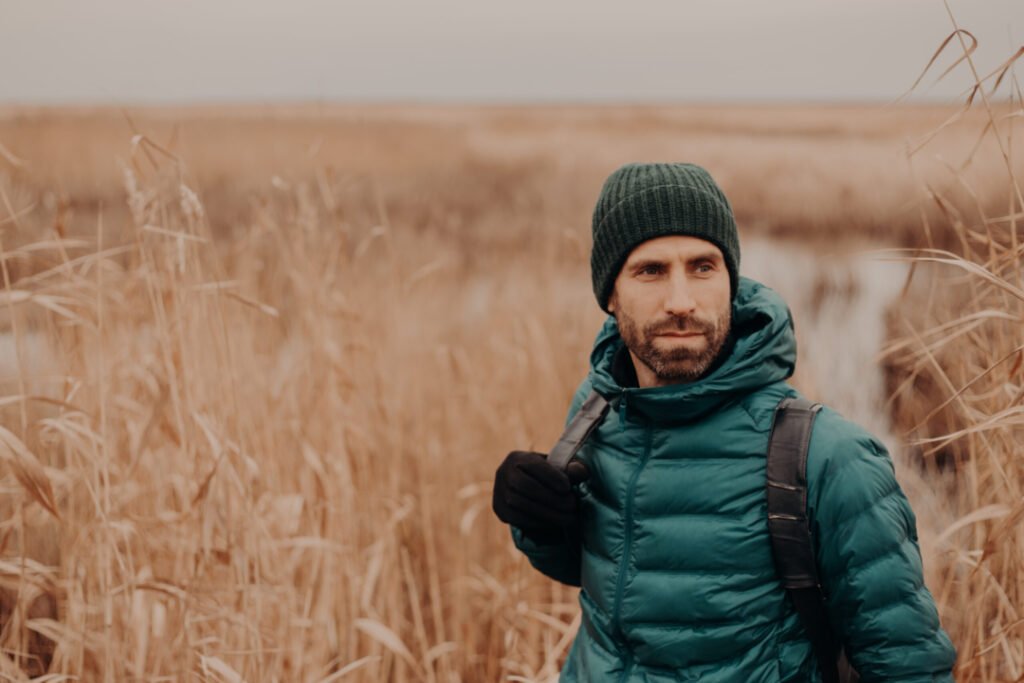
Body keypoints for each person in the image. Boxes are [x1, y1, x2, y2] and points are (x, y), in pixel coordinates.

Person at [491, 162, 957, 682]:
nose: (681, 302)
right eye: (650, 270)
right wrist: (541, 524)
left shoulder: (828, 457)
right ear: (610, 295)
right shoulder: (598, 409)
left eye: (703, 266)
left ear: (731, 282)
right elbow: (618, 578)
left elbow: (909, 666)